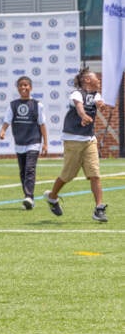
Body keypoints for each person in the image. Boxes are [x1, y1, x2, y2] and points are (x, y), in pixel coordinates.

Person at [43, 68, 109, 222]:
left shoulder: (96, 95)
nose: (99, 80)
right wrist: (84, 115)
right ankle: (52, 197)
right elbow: (79, 107)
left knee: (95, 174)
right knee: (68, 175)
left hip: (89, 140)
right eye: (96, 78)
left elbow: (98, 101)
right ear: (87, 80)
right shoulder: (76, 94)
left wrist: (101, 104)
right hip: (73, 140)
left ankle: (99, 208)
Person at [0, 76, 49, 210]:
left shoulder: (37, 105)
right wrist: (3, 130)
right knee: (22, 172)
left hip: (34, 142)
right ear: (18, 88)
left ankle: (28, 196)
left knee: (29, 169)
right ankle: (29, 199)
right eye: (21, 85)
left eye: (26, 85)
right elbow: (7, 120)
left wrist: (45, 143)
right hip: (19, 142)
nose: (23, 88)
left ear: (30, 87)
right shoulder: (13, 105)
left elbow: (42, 124)